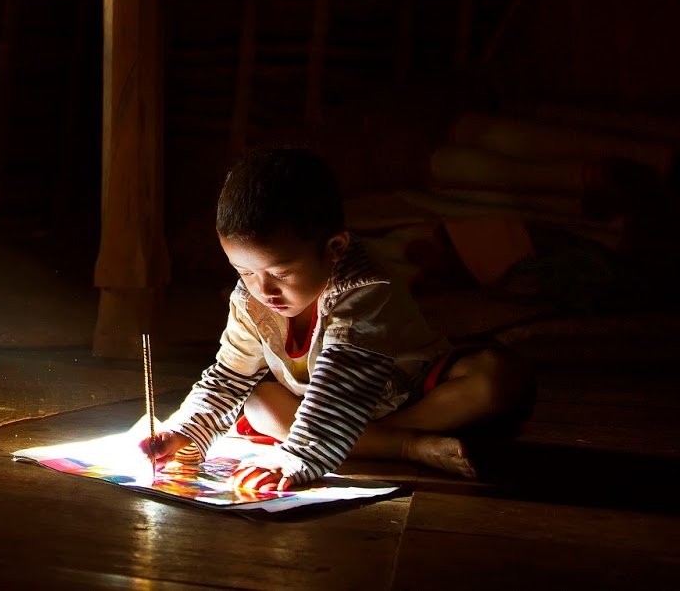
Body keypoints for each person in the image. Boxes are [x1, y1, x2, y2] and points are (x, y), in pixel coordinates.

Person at [140, 147, 535, 493]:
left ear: (334, 248)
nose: (263, 290)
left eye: (280, 272)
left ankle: (398, 442)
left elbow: (341, 387)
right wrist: (182, 430)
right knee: (258, 402)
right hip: (324, 412)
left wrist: (299, 456)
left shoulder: (366, 291)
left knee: (496, 379)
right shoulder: (250, 299)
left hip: (409, 395)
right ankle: (410, 446)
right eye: (244, 272)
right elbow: (228, 377)